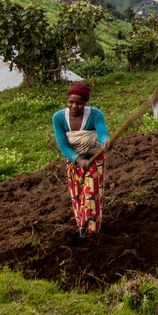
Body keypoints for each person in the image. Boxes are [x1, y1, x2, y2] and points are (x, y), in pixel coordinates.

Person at [52, 82, 110, 237]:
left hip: (94, 160)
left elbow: (102, 132)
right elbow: (63, 145)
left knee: (91, 195)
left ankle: (92, 233)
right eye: (71, 102)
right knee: (77, 196)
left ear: (85, 103)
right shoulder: (58, 118)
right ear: (67, 100)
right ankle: (82, 231)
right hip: (74, 162)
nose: (74, 106)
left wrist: (105, 141)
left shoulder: (95, 115)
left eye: (79, 103)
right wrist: (78, 160)